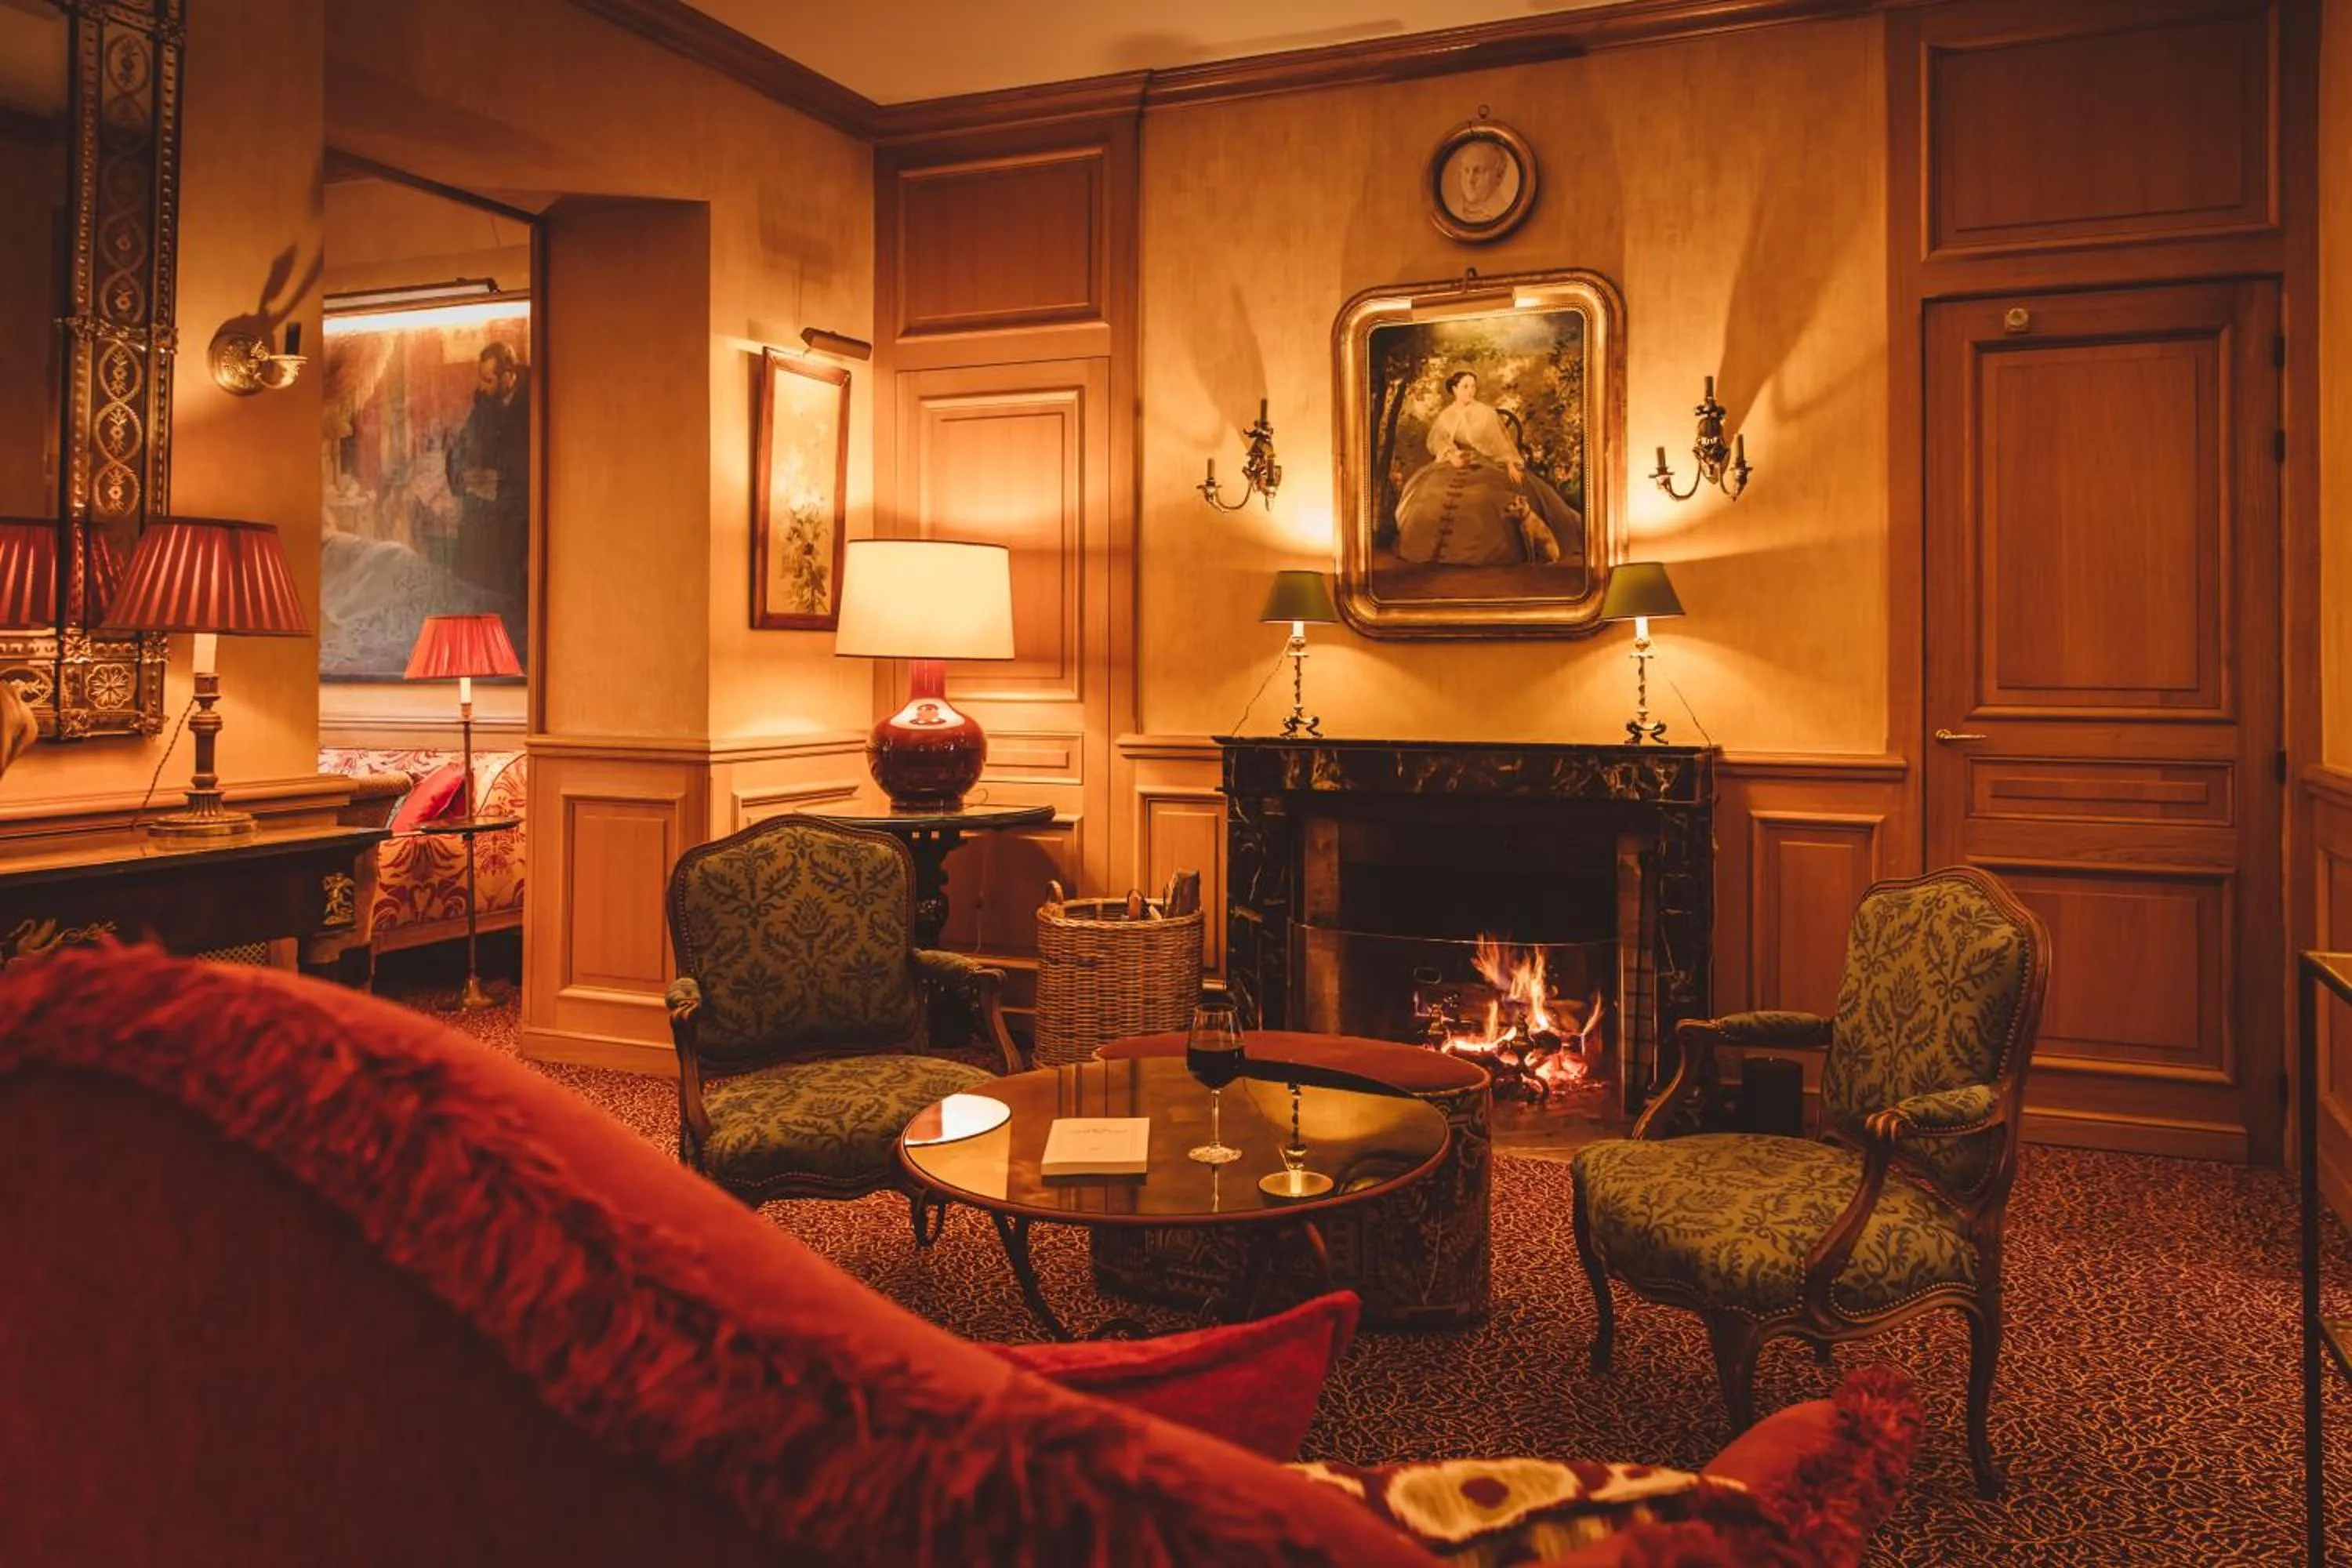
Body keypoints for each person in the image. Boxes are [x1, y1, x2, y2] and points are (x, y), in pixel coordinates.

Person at [1391, 368, 1581, 568]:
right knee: (1428, 494)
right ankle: (1426, 550)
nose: (1470, 391)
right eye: (1465, 386)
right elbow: (1438, 441)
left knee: (1484, 499)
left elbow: (1501, 444)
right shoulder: (1446, 416)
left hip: (1488, 463)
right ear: (1454, 389)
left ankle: (1481, 555)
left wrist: (1510, 463)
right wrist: (1451, 455)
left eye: (1473, 386)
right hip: (1454, 463)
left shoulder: (1486, 413)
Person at [445, 339, 530, 650]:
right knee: (468, 559)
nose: (483, 386)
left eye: (489, 379)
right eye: (481, 378)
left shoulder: (532, 402)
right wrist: (463, 473)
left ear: (509, 375)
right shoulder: (484, 401)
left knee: (507, 577)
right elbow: (465, 444)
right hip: (487, 504)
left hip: (519, 509)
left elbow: (531, 465)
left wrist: (500, 481)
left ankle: (509, 645)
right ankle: (474, 643)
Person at [1450, 139, 1513, 224]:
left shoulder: (1508, 214)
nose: (1470, 180)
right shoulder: (1452, 212)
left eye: (1478, 171)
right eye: (1466, 170)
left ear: (1499, 175)